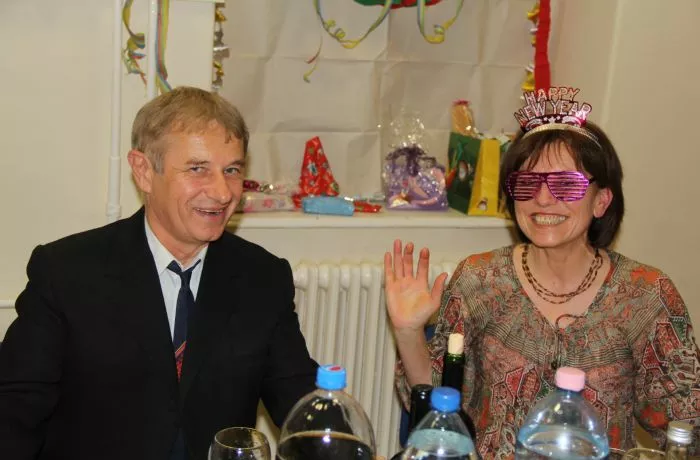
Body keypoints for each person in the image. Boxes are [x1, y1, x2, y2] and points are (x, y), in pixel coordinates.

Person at [0, 86, 317, 460]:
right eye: (197, 169)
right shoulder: (66, 273)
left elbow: (301, 403)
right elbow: (14, 411)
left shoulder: (263, 278)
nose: (222, 192)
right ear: (144, 171)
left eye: (231, 170)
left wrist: (343, 440)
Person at [385, 88, 700, 459]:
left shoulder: (645, 297)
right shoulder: (479, 281)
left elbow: (688, 427)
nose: (543, 199)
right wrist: (407, 332)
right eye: (527, 183)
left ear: (601, 201)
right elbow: (438, 409)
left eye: (566, 183)